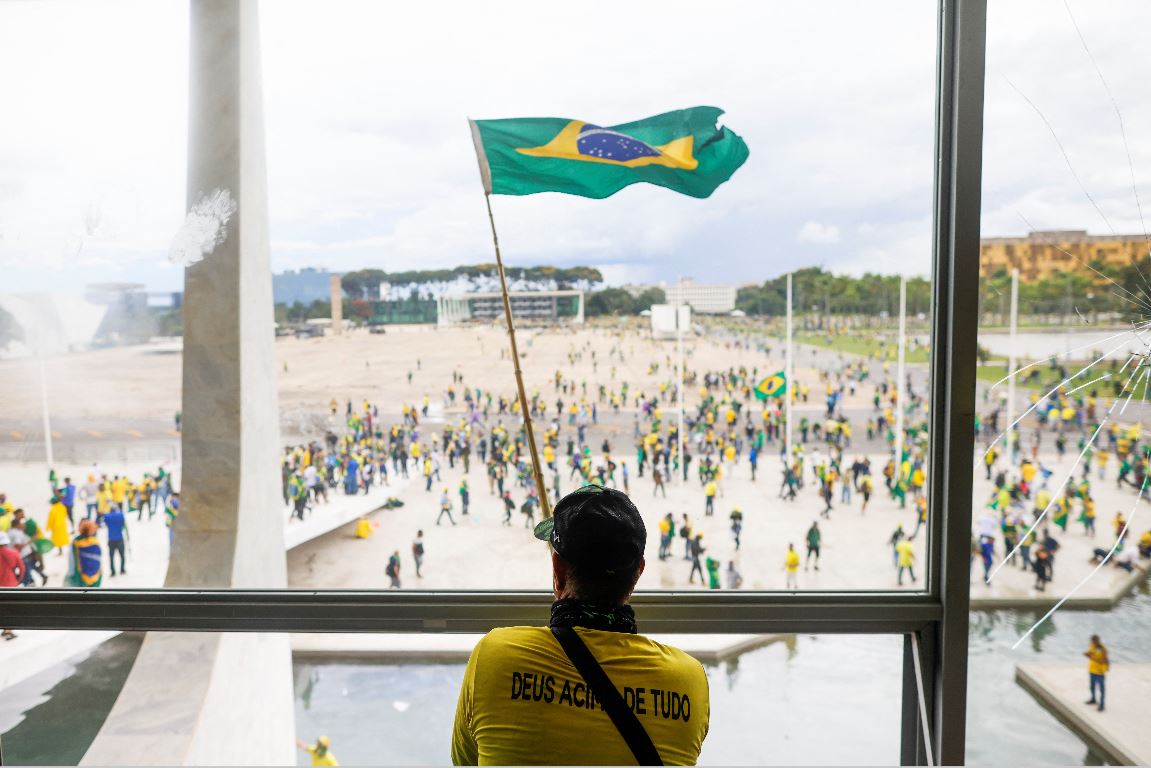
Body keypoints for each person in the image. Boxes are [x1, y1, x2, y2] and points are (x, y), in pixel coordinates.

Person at [451, 485, 709, 765]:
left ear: (558, 571)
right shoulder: (689, 681)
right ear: (638, 572)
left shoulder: (495, 656)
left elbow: (465, 761)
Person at [0, 531, 25, 640]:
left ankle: (5, 629)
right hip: (10, 584)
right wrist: (18, 580)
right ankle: (8, 630)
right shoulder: (13, 552)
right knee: (9, 607)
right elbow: (22, 568)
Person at [67, 519, 103, 587]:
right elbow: (98, 558)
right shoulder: (95, 541)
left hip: (81, 574)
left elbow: (72, 558)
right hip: (96, 574)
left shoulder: (76, 541)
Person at [1084, 634, 1109, 711]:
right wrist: (1088, 654)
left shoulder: (1103, 649)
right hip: (1092, 670)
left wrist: (1091, 657)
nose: (1093, 643)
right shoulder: (1092, 646)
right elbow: (1090, 653)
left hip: (1100, 672)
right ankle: (1093, 699)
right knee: (1092, 686)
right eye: (1092, 642)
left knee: (1101, 689)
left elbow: (1103, 660)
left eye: (1095, 642)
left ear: (1098, 641)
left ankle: (1102, 704)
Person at [104, 503, 128, 577]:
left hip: (111, 539)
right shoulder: (120, 515)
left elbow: (104, 521)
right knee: (122, 555)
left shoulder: (108, 516)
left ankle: (113, 571)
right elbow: (124, 525)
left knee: (111, 556)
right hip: (119, 538)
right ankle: (122, 569)